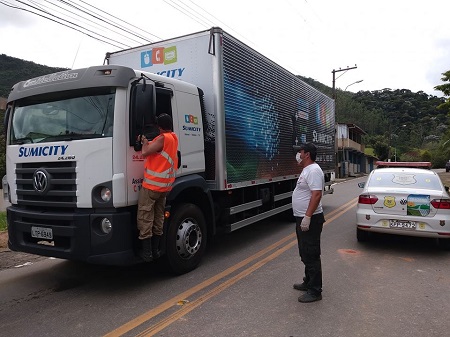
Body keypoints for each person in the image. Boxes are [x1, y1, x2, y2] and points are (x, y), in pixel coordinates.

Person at [137, 113, 179, 262]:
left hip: (152, 186)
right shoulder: (173, 138)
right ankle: (156, 249)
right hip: (165, 187)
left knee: (145, 216)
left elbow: (145, 152)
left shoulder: (162, 138)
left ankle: (147, 253)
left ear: (159, 127)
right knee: (159, 217)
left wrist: (144, 142)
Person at [292, 142, 326, 303]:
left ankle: (315, 290)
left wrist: (307, 217)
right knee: (304, 251)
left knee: (311, 253)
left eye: (300, 151)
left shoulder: (313, 170)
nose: (298, 154)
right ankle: (308, 281)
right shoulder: (307, 170)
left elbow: (317, 194)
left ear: (307, 154)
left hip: (310, 219)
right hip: (303, 218)